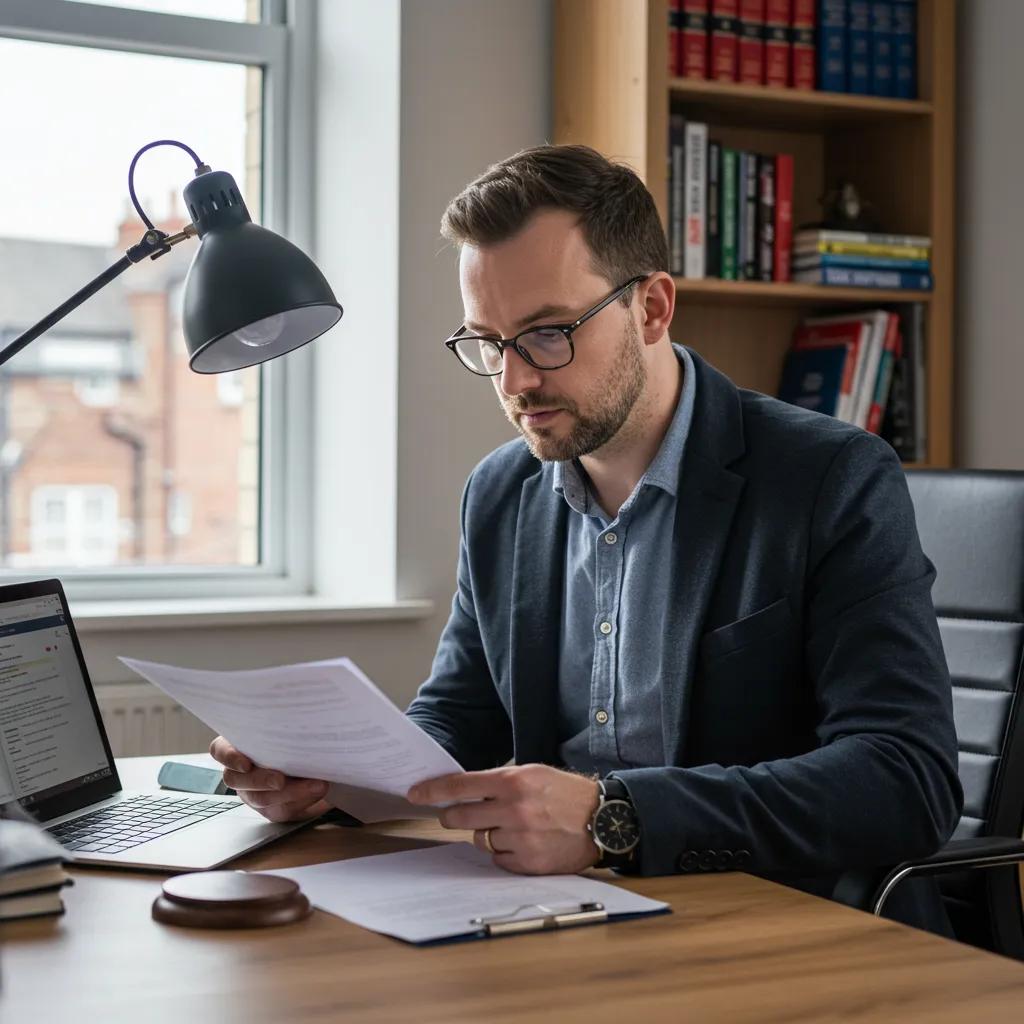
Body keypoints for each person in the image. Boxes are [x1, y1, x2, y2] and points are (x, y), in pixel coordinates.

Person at [210, 145, 962, 932]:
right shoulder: (501, 493)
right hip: (563, 918)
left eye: (545, 333)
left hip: (779, 925)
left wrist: (613, 816)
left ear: (653, 309)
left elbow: (904, 778)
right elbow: (460, 716)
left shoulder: (828, 478)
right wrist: (334, 776)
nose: (515, 381)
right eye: (488, 343)